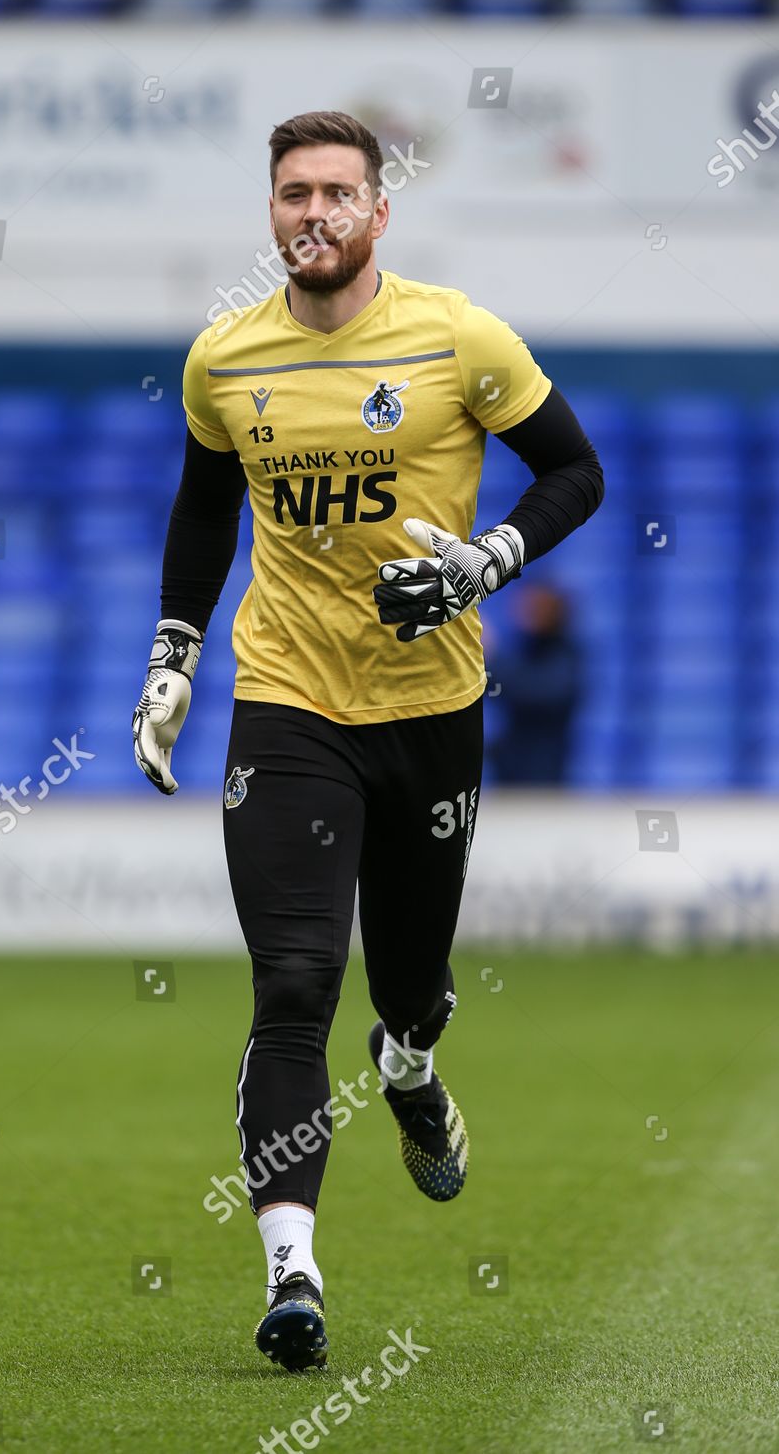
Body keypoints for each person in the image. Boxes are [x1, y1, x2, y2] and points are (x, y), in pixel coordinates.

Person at [132, 110, 603, 1372]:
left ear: (379, 212)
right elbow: (200, 508)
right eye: (294, 192)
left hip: (432, 710)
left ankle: (410, 1066)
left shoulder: (457, 335)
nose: (315, 212)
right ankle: (295, 1274)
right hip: (286, 701)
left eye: (340, 191)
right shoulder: (225, 359)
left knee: (407, 989)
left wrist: (486, 561)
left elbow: (575, 471)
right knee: (292, 988)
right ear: (271, 211)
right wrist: (173, 654)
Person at [491, 584, 583, 784]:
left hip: (542, 770)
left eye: (535, 607)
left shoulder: (565, 653)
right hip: (510, 766)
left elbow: (539, 693)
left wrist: (492, 658)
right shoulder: (524, 647)